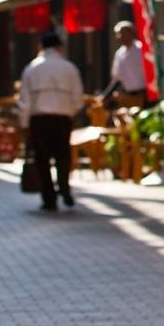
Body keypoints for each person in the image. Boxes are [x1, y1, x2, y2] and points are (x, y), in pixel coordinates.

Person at [17, 31, 85, 211]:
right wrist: (71, 112)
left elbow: (24, 101)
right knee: (63, 155)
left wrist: (24, 124)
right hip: (63, 117)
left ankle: (49, 197)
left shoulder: (31, 68)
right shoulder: (69, 68)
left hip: (39, 119)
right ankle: (64, 187)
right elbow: (78, 98)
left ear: (41, 47)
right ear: (59, 47)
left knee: (43, 158)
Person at [100, 20, 147, 113]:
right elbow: (117, 78)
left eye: (121, 34)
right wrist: (106, 95)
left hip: (144, 94)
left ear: (131, 33)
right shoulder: (119, 53)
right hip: (128, 95)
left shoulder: (141, 49)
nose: (119, 37)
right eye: (118, 34)